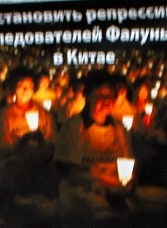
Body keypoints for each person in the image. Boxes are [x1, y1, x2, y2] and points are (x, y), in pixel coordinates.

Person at [55, 70, 134, 218]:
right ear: (88, 96)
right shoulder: (73, 127)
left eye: (111, 96)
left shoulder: (119, 129)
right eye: (101, 96)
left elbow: (128, 164)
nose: (107, 101)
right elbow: (67, 170)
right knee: (102, 211)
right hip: (79, 190)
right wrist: (98, 182)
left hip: (115, 189)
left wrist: (126, 183)